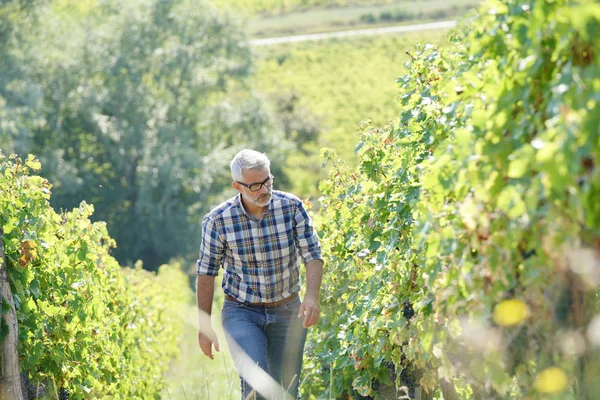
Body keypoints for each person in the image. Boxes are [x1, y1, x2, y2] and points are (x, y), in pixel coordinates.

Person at [196, 149, 324, 400]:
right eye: (255, 185)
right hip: (242, 311)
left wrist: (311, 296)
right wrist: (204, 325)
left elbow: (312, 254)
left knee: (287, 390)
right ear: (237, 186)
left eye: (267, 181)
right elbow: (206, 272)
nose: (264, 189)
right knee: (257, 381)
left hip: (288, 309)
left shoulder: (291, 207)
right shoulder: (218, 220)